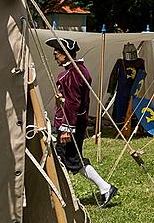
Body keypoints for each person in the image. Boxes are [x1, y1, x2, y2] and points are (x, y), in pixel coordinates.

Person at [45, 38, 118, 207]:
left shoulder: (72, 74)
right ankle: (60, 195)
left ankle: (104, 188)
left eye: (56, 53)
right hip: (75, 124)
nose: (55, 56)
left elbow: (73, 104)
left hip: (72, 125)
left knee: (70, 160)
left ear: (65, 53)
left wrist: (66, 129)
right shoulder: (77, 70)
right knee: (65, 158)